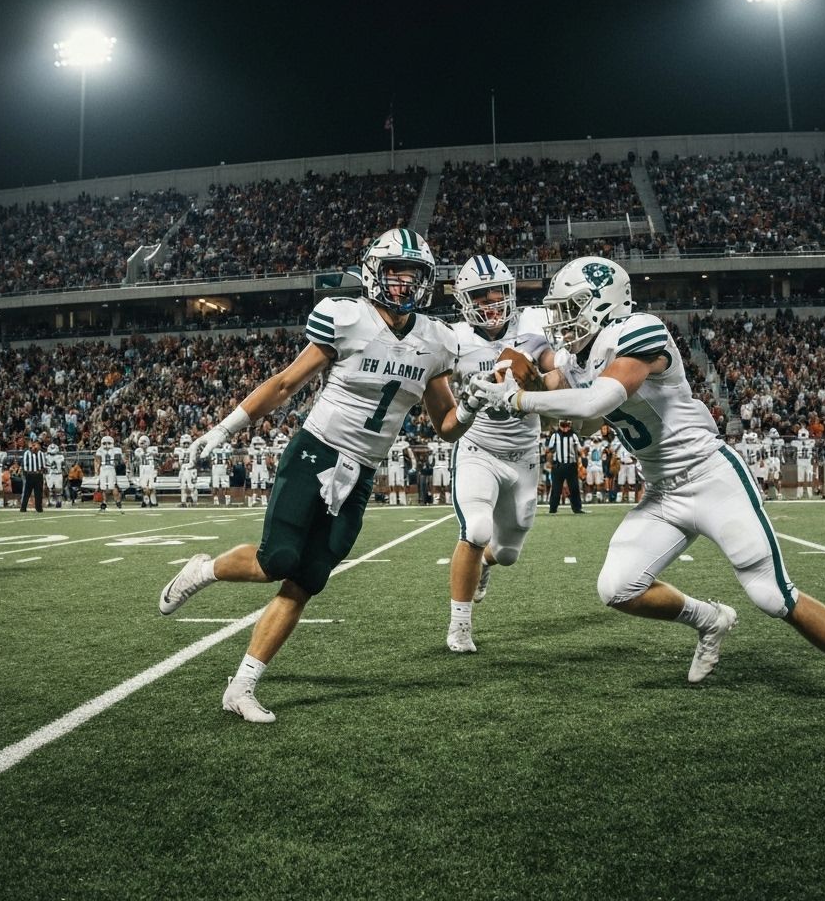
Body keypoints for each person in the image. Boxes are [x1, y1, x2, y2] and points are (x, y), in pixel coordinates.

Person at [473, 255, 825, 719]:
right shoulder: (581, 357)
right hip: (662, 492)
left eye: (571, 307)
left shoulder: (639, 329)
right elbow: (584, 422)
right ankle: (710, 619)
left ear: (602, 303)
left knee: (772, 595)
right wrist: (516, 380)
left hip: (711, 476)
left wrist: (520, 397)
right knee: (617, 586)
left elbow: (600, 397)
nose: (562, 319)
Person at [157, 228, 480, 722]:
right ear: (374, 272)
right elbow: (286, 383)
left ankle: (241, 686)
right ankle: (205, 569)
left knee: (307, 578)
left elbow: (447, 426)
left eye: (413, 276)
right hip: (316, 451)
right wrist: (224, 429)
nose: (403, 285)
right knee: (277, 559)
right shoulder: (345, 317)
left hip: (363, 470)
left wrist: (475, 406)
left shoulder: (437, 341)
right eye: (395, 273)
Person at [444, 253, 562, 653]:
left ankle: (484, 568)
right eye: (481, 296)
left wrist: (537, 379)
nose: (491, 303)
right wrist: (468, 398)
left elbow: (557, 380)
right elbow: (438, 398)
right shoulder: (453, 339)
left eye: (497, 294)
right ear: (465, 301)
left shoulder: (533, 326)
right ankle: (460, 625)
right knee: (476, 529)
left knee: (508, 553)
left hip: (525, 452)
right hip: (479, 447)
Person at [546, 419, 584, 514]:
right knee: (556, 488)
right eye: (563, 425)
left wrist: (582, 462)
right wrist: (550, 463)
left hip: (571, 465)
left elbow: (579, 449)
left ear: (570, 425)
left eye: (566, 425)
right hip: (558, 466)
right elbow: (549, 450)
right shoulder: (555, 436)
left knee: (574, 488)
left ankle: (577, 508)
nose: (565, 428)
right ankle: (553, 508)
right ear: (559, 425)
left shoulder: (573, 436)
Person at [94, 435, 124, 511]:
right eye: (104, 443)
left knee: (113, 485)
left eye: (108, 443)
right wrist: (96, 470)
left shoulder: (115, 450)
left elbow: (122, 458)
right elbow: (97, 460)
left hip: (111, 468)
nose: (106, 445)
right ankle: (104, 502)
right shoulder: (100, 450)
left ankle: (117, 501)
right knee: (103, 487)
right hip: (103, 468)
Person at [19, 438, 46, 513]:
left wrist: (41, 472)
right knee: (27, 493)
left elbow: (44, 466)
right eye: (33, 445)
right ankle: (23, 508)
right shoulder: (27, 453)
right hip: (30, 475)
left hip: (38, 475)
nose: (34, 446)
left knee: (38, 493)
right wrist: (26, 473)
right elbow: (24, 465)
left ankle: (39, 508)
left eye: (36, 445)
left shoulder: (41, 453)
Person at [134, 434, 160, 508]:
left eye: (144, 442)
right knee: (144, 486)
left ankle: (153, 501)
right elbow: (139, 456)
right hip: (143, 469)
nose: (143, 445)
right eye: (141, 443)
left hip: (151, 468)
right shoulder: (138, 451)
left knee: (151, 486)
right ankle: (146, 501)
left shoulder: (153, 449)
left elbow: (156, 455)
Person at [792, 427, 816, 500]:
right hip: (801, 462)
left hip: (807, 462)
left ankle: (808, 494)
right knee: (801, 479)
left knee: (808, 479)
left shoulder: (810, 441)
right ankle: (801, 494)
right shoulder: (810, 441)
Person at [45, 443, 66, 508]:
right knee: (50, 488)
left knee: (58, 489)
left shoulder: (61, 457)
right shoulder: (46, 457)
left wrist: (64, 473)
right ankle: (50, 501)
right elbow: (45, 467)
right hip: (50, 474)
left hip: (57, 473)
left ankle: (58, 501)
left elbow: (63, 466)